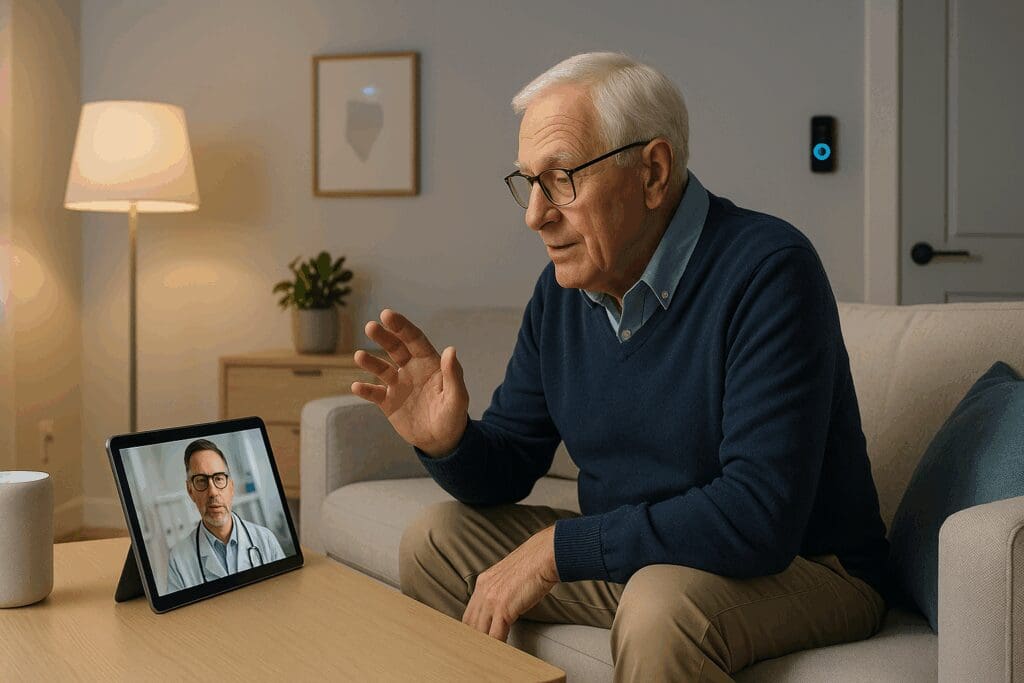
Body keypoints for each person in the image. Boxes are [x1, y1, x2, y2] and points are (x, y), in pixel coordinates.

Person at [351, 52, 889, 682]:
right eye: (528, 182)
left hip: (807, 566)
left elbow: (758, 516)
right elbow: (512, 460)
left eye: (561, 178)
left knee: (660, 607)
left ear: (652, 172)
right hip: (644, 558)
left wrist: (560, 549)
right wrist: (450, 442)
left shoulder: (769, 271)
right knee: (436, 541)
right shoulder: (562, 293)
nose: (535, 214)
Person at [166, 438, 285, 593]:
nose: (213, 492)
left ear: (231, 486)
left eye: (219, 479)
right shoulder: (178, 560)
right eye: (201, 481)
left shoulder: (266, 539)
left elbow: (286, 596)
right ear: (190, 491)